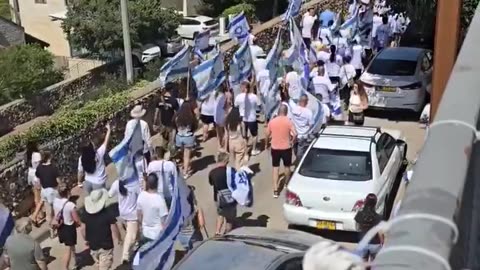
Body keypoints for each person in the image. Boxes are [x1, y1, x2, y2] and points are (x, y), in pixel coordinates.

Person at [82, 189, 121, 270]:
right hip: (106, 246)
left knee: (99, 264)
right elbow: (114, 227)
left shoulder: (86, 214)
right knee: (104, 266)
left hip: (93, 246)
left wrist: (86, 239)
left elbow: (83, 229)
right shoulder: (107, 214)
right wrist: (119, 238)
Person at [265, 104, 296, 198]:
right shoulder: (288, 121)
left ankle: (275, 190)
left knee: (275, 168)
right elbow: (295, 134)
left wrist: (266, 144)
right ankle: (286, 183)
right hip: (286, 148)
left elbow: (266, 134)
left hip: (275, 148)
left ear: (278, 112)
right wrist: (292, 141)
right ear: (286, 112)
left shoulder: (272, 121)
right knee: (287, 167)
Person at [108, 178, 140, 264]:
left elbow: (110, 194)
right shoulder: (135, 183)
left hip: (122, 213)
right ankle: (125, 256)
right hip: (132, 215)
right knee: (131, 236)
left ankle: (136, 246)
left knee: (133, 232)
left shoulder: (117, 183)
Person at [32, 150, 60, 237]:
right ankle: (57, 227)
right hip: (53, 191)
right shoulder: (53, 168)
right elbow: (58, 181)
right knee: (57, 210)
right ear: (49, 157)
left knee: (48, 212)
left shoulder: (39, 168)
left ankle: (51, 231)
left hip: (44, 191)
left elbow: (39, 179)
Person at [53, 183, 81, 270]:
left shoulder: (55, 201)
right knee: (68, 248)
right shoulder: (70, 205)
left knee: (71, 246)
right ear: (68, 192)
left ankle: (75, 261)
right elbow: (76, 220)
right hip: (69, 228)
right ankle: (66, 267)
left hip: (60, 227)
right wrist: (79, 224)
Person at [78, 123, 111, 194]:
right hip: (99, 183)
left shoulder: (81, 158)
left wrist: (79, 181)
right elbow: (106, 142)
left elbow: (80, 172)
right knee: (100, 203)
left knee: (92, 202)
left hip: (88, 182)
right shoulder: (99, 154)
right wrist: (109, 130)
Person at [209, 152, 237, 235]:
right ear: (226, 161)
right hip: (230, 198)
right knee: (229, 219)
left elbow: (211, 183)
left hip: (218, 198)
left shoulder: (212, 173)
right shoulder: (231, 171)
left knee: (220, 214)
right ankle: (227, 234)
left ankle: (217, 232)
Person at [137, 174, 169, 242]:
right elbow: (164, 221)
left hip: (145, 232)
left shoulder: (141, 195)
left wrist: (140, 227)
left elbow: (139, 214)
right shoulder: (160, 200)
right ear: (157, 183)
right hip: (157, 235)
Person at [354, 193, 384, 261]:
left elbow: (357, 228)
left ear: (366, 202)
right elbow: (380, 232)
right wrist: (382, 243)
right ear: (375, 203)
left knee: (364, 262)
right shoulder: (379, 217)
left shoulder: (360, 214)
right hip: (375, 243)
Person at [234, 81, 261, 156]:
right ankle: (253, 149)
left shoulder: (238, 97)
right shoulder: (254, 96)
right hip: (252, 118)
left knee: (244, 136)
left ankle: (246, 152)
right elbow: (259, 105)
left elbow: (235, 106)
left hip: (243, 119)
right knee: (254, 135)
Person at [178, 186, 205, 251]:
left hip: (183, 235)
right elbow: (201, 223)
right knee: (199, 250)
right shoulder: (193, 206)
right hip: (193, 232)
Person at [174, 101, 198, 178]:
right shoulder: (191, 117)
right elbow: (195, 127)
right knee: (187, 156)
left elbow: (174, 125)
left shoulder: (177, 116)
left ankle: (184, 166)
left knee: (182, 153)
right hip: (188, 137)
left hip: (179, 137)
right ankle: (185, 172)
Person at [153, 83, 179, 150]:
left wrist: (155, 123)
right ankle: (170, 155)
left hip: (163, 123)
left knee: (164, 139)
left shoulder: (159, 100)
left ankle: (164, 152)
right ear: (172, 90)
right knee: (172, 141)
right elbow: (176, 114)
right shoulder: (174, 101)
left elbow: (156, 113)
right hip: (171, 124)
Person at [291, 94, 314, 160]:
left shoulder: (294, 109)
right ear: (306, 101)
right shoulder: (308, 112)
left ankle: (298, 160)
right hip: (303, 135)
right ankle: (300, 164)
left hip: (294, 135)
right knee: (301, 151)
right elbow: (311, 124)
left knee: (296, 149)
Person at [26, 141, 43, 225]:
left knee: (36, 196)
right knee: (41, 197)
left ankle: (40, 214)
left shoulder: (29, 155)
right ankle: (37, 215)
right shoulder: (36, 155)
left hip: (31, 176)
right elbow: (39, 167)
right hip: (37, 177)